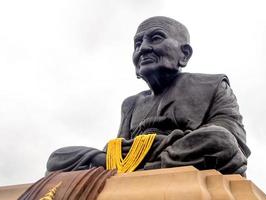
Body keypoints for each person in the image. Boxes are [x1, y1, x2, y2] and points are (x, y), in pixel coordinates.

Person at [46, 16, 250, 176]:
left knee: (217, 140)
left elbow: (232, 142)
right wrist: (126, 151)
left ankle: (142, 173)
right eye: (137, 43)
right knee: (59, 158)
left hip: (184, 152)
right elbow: (117, 153)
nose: (143, 48)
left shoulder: (213, 85)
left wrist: (147, 146)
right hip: (147, 160)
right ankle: (149, 171)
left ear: (184, 54)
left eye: (156, 38)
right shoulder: (131, 104)